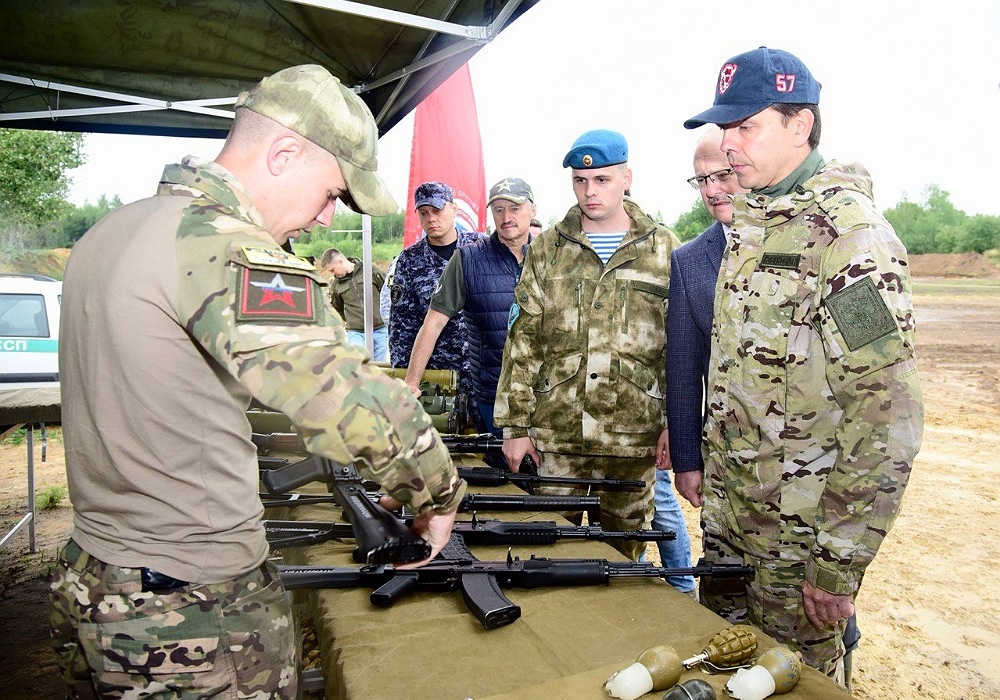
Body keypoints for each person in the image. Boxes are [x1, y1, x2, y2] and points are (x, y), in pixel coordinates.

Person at [49, 64, 467, 699]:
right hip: (187, 604)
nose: (326, 218)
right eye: (331, 192)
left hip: (98, 572)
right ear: (284, 154)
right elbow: (348, 399)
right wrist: (437, 493)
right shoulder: (220, 245)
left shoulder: (112, 231)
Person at [682, 47, 923, 682]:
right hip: (733, 530)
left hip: (798, 547)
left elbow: (886, 414)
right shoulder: (754, 227)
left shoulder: (847, 237)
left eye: (746, 126)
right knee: (724, 670)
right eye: (725, 127)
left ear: (801, 125)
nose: (728, 143)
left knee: (797, 683)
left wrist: (838, 562)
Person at [493, 129, 682, 563]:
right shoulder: (547, 249)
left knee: (623, 557)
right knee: (547, 555)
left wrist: (677, 424)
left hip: (631, 438)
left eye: (602, 180)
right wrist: (516, 428)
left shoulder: (664, 250)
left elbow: (678, 350)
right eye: (580, 180)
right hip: (558, 435)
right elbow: (523, 343)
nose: (590, 191)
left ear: (626, 179)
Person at [403, 177, 537, 437]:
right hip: (494, 394)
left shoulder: (551, 257)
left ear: (533, 210)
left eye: (515, 208)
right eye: (498, 209)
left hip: (547, 393)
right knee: (503, 460)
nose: (506, 217)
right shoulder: (468, 259)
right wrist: (411, 381)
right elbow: (433, 323)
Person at [387, 181, 481, 398]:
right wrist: (407, 379)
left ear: (454, 209)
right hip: (437, 378)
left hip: (482, 371)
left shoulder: (479, 248)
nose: (431, 218)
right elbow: (402, 326)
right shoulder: (409, 260)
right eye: (424, 213)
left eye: (437, 210)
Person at [319, 246, 388, 361]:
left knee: (380, 367)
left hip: (380, 330)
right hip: (356, 333)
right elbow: (337, 308)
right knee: (357, 365)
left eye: (332, 270)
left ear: (340, 262)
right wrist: (351, 321)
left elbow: (388, 293)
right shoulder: (336, 285)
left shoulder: (371, 271)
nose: (333, 274)